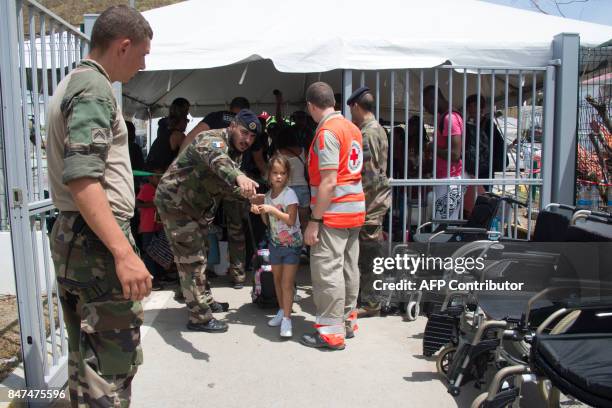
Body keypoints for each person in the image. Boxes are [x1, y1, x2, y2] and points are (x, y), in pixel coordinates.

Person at [46, 5, 152, 406]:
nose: (143, 65)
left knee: (86, 361)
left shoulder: (72, 83)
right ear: (123, 46)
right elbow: (82, 176)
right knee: (112, 365)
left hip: (79, 238)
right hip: (98, 245)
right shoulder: (94, 89)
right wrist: (123, 253)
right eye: (142, 54)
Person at [155, 109, 261, 332]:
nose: (247, 140)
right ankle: (199, 317)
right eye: (244, 133)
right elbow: (218, 161)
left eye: (252, 137)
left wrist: (250, 197)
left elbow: (225, 186)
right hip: (176, 204)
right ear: (232, 126)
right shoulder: (212, 140)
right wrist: (239, 176)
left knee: (201, 254)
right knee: (191, 259)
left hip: (197, 207)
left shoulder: (236, 151)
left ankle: (204, 300)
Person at [300, 82, 365, 351]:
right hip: (354, 211)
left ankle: (330, 333)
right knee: (350, 268)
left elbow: (328, 182)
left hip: (333, 214)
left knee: (328, 272)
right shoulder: (352, 128)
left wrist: (313, 221)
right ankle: (347, 322)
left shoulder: (327, 132)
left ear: (311, 106)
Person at [182, 97, 255, 289]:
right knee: (234, 230)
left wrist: (180, 160)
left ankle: (198, 282)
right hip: (229, 181)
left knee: (203, 230)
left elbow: (191, 136)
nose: (247, 138)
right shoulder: (232, 126)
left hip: (221, 183)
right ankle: (235, 276)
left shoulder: (216, 117)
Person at [347, 86, 391, 318]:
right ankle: (369, 299)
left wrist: (355, 202)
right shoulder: (377, 129)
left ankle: (372, 304)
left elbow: (369, 175)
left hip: (370, 205)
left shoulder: (367, 133)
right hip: (375, 203)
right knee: (368, 254)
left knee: (369, 255)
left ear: (355, 106)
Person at [251, 155, 303, 338]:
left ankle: (287, 320)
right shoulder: (267, 196)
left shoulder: (290, 194)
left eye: (282, 173)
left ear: (287, 175)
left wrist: (271, 209)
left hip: (291, 245)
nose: (278, 177)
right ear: (269, 175)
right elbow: (268, 223)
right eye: (275, 173)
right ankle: (282, 311)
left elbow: (290, 220)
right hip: (275, 244)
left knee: (287, 284)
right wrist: (259, 210)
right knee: (277, 281)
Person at [423, 86, 464, 220]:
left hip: (449, 181)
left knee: (445, 226)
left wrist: (432, 147)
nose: (427, 110)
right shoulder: (444, 117)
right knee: (441, 223)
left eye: (426, 105)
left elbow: (455, 155)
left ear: (433, 100)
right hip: (444, 179)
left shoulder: (450, 118)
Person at [276, 126, 310, 236]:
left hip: (286, 190)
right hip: (302, 188)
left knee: (287, 221)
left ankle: (290, 245)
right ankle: (306, 246)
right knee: (304, 221)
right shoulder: (303, 151)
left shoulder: (279, 153)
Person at [136, 167, 166, 290]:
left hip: (157, 226)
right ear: (150, 178)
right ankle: (152, 280)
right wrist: (154, 204)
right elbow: (137, 204)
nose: (160, 179)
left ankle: (160, 275)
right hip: (148, 226)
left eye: (161, 176)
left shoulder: (158, 188)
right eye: (157, 177)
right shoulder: (147, 188)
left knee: (158, 251)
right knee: (149, 253)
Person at [146, 97, 190, 170]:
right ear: (182, 120)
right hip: (159, 175)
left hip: (150, 173)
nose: (187, 123)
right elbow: (189, 156)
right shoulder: (178, 136)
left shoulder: (164, 131)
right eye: (187, 120)